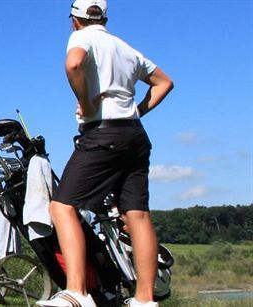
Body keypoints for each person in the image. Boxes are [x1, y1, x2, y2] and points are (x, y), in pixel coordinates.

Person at [37, 1, 174, 307]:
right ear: (105, 17)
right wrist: (137, 112)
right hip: (135, 136)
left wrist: (86, 103)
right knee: (136, 215)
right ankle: (144, 299)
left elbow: (73, 64)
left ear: (75, 20)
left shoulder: (82, 37)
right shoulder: (124, 47)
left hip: (102, 134)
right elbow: (165, 83)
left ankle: (76, 293)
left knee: (62, 208)